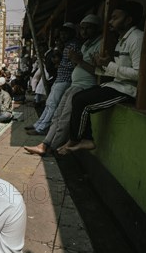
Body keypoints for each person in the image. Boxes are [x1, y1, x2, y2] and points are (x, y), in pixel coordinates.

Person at [59, 2, 144, 154]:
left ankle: (80, 140)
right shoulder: (122, 40)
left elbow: (139, 74)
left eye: (115, 18)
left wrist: (109, 65)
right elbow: (116, 70)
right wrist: (101, 66)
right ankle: (79, 139)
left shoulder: (137, 38)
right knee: (78, 98)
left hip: (128, 90)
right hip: (117, 85)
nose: (110, 22)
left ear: (128, 20)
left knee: (82, 101)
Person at [24, 15, 102, 156]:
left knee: (64, 117)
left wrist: (77, 61)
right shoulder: (85, 45)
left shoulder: (99, 44)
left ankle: (51, 147)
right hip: (73, 83)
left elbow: (99, 71)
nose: (84, 31)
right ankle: (45, 144)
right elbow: (76, 63)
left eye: (88, 28)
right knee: (57, 115)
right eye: (82, 28)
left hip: (83, 86)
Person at [26, 22, 81, 135]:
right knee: (50, 103)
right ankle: (38, 125)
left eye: (65, 34)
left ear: (71, 33)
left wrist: (59, 64)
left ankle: (42, 128)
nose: (62, 36)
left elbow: (75, 64)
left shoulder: (73, 46)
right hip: (60, 78)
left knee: (52, 104)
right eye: (61, 34)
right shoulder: (67, 45)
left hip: (66, 78)